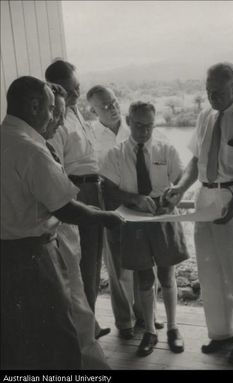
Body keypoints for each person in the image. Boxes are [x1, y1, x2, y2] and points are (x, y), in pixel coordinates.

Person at [0, 76, 123, 369]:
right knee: (58, 332)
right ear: (33, 106)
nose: (55, 116)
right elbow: (66, 209)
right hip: (32, 254)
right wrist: (105, 216)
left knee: (18, 336)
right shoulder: (29, 149)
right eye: (50, 109)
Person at [163, 62, 233, 364]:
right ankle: (221, 333)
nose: (212, 98)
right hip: (204, 195)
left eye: (218, 92)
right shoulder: (206, 116)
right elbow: (196, 160)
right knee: (209, 269)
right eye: (208, 92)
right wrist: (181, 189)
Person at [100, 101, 189, 357]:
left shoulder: (166, 149)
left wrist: (175, 195)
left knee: (167, 275)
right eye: (139, 125)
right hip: (133, 220)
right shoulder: (116, 154)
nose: (144, 131)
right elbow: (107, 188)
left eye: (149, 125)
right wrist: (133, 198)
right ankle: (150, 331)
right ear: (128, 122)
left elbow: (182, 179)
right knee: (144, 278)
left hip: (162, 216)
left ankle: (173, 328)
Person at [87, 85, 163, 339]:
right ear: (93, 110)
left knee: (146, 260)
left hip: (141, 204)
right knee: (119, 266)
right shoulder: (91, 135)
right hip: (112, 202)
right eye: (105, 106)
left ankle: (147, 315)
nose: (112, 109)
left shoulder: (133, 127)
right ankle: (125, 321)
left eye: (114, 102)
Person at [44, 83, 110, 369]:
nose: (76, 92)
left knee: (92, 263)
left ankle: (90, 324)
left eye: (76, 87)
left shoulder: (75, 113)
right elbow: (58, 168)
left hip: (92, 189)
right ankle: (84, 336)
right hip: (75, 193)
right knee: (78, 270)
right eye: (72, 87)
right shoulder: (53, 126)